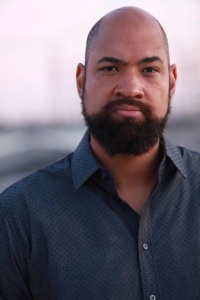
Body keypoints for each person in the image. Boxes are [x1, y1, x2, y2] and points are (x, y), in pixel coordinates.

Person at [0, 6, 200, 300]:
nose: (131, 87)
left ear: (171, 81)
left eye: (149, 70)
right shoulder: (19, 215)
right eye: (110, 68)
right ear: (81, 81)